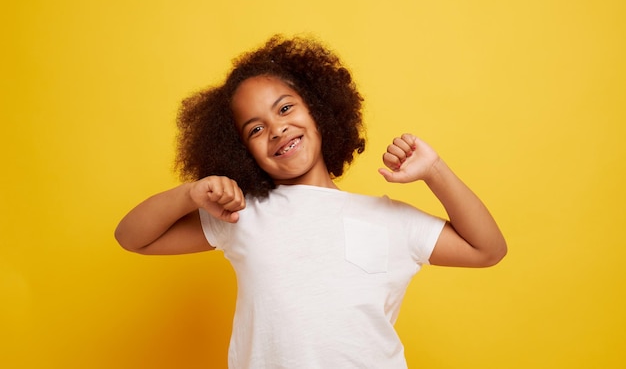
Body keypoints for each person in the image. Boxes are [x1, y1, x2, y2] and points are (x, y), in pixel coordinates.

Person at [115, 35, 507, 369]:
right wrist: (190, 193)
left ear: (318, 110)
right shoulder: (241, 214)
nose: (277, 128)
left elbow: (487, 249)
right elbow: (134, 237)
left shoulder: (390, 220)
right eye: (255, 129)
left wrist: (434, 170)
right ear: (240, 150)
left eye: (285, 108)